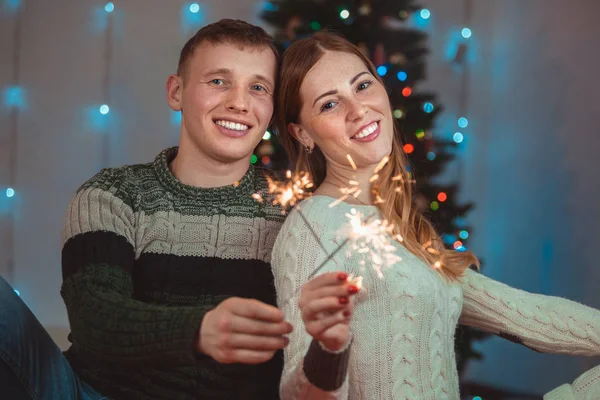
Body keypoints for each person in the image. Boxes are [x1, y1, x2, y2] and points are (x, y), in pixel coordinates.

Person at [270, 31, 600, 399]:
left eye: (362, 85)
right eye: (329, 104)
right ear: (302, 133)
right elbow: (296, 393)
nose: (358, 109)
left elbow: (520, 313)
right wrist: (329, 349)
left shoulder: (400, 224)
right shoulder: (312, 226)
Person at [0, 19, 293, 400]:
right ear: (176, 92)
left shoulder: (291, 207)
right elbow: (95, 318)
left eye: (258, 87)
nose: (239, 102)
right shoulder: (113, 193)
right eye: (218, 81)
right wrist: (199, 330)